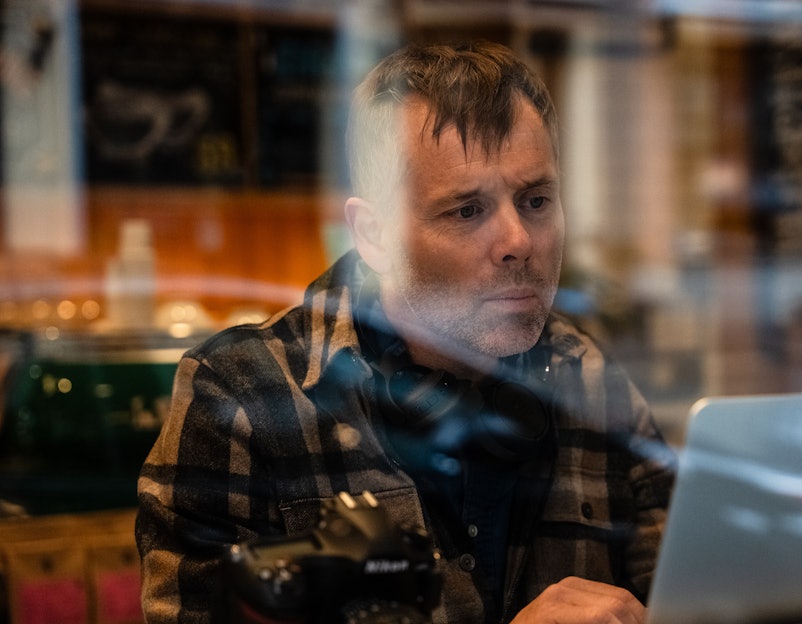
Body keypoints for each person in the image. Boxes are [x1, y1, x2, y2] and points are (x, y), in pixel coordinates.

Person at [136, 40, 676, 624]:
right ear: (373, 235)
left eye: (536, 200)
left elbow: (699, 595)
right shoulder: (243, 400)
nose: (520, 241)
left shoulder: (591, 381)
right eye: (467, 211)